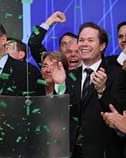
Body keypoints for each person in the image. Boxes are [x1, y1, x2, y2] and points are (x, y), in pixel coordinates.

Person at [52, 22, 126, 158]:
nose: (84, 44)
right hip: (71, 152)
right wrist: (60, 85)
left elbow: (120, 112)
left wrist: (102, 90)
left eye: (90, 40)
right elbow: (59, 113)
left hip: (102, 152)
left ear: (102, 46)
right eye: (81, 40)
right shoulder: (70, 76)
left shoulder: (117, 74)